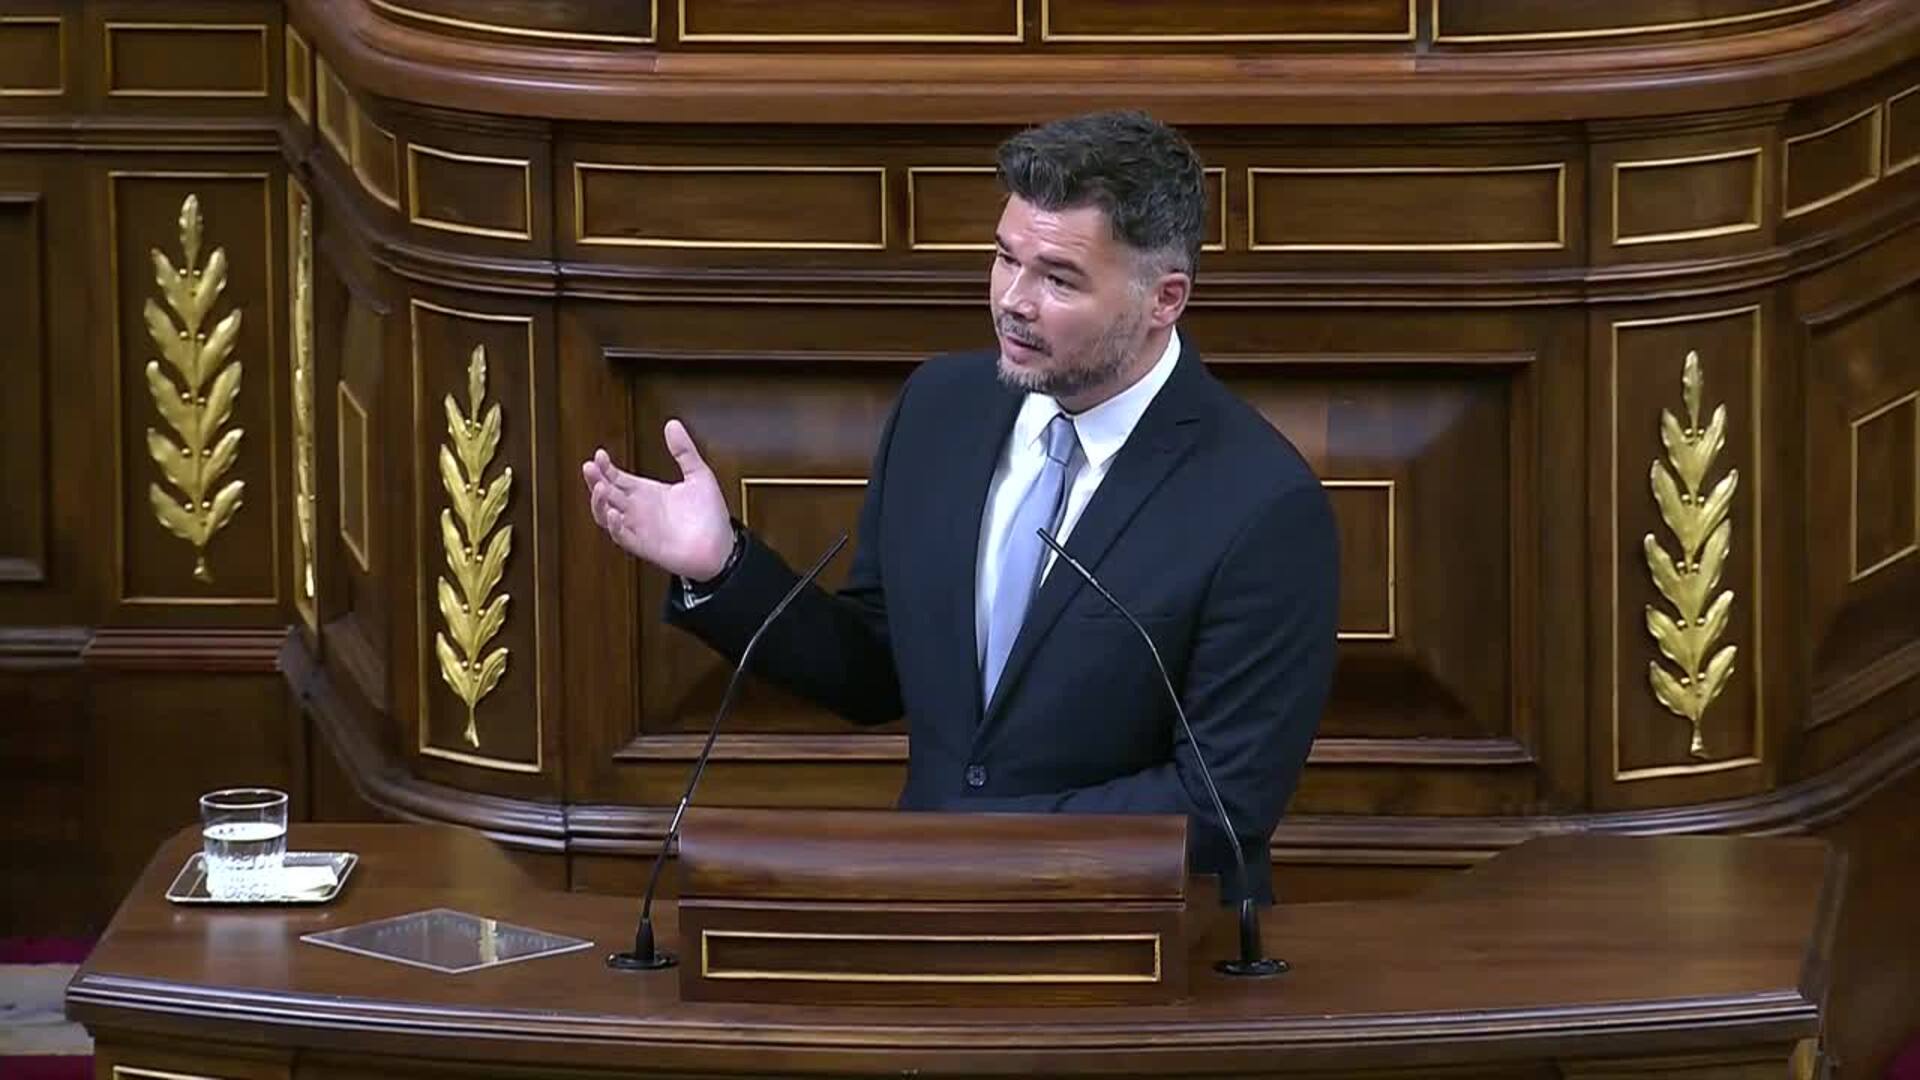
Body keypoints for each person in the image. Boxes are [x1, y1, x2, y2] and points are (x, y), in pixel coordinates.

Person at [582, 110, 1339, 902]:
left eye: (1058, 279)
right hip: (929, 917)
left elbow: (1220, 805)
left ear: (1164, 300)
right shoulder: (941, 409)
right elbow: (875, 670)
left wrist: (969, 845)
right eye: (1005, 258)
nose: (1013, 300)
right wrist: (724, 568)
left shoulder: (1261, 504)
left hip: (1135, 936)